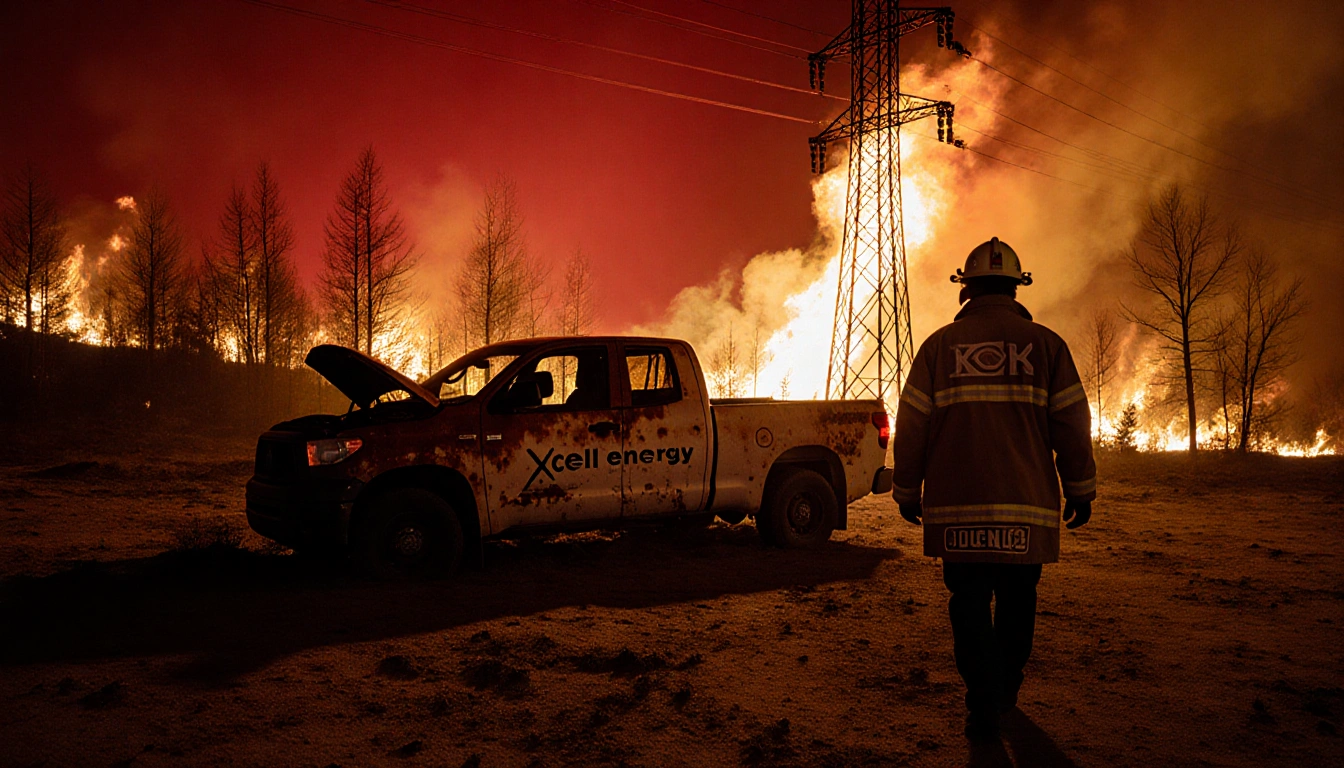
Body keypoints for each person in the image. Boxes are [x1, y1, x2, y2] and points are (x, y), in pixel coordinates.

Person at [890, 237, 1096, 742]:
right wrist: (1080, 488)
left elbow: (911, 426)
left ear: (967, 290)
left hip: (959, 512)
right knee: (1019, 601)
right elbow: (1071, 424)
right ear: (1016, 289)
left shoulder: (938, 348)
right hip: (1025, 511)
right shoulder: (1048, 347)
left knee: (967, 604)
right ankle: (1005, 691)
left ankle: (981, 699)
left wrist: (906, 491)